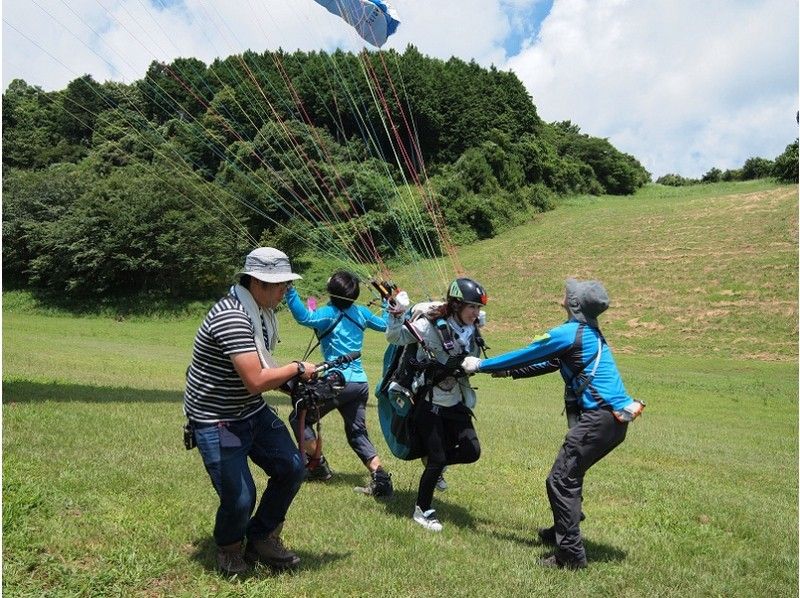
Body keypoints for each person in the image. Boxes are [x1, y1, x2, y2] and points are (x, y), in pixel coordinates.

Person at [462, 278, 643, 570]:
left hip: (598, 419)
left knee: (560, 480)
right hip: (614, 421)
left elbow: (528, 353)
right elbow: (551, 363)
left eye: (568, 295)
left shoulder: (568, 333)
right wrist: (509, 374)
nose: (564, 296)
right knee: (571, 475)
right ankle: (560, 530)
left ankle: (569, 555)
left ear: (573, 304)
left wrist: (481, 364)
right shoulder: (589, 332)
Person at [183, 247, 317, 575]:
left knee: (291, 466)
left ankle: (261, 538)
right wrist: (297, 368)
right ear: (258, 282)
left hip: (250, 411)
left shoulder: (259, 312)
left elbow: (263, 369)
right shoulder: (232, 316)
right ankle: (229, 549)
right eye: (280, 284)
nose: (286, 289)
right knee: (240, 496)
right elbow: (256, 379)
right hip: (219, 422)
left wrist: (295, 384)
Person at [386, 278, 488, 532]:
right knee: (438, 457)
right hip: (429, 401)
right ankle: (423, 510)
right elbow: (395, 337)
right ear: (456, 305)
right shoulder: (427, 325)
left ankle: (434, 462)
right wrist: (396, 313)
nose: (476, 313)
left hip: (455, 400)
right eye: (471, 307)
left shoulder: (470, 328)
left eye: (478, 308)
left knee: (471, 451)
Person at [284, 270, 394, 498]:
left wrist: (289, 290)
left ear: (332, 292)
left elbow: (304, 317)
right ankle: (381, 479)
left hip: (337, 382)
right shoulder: (361, 312)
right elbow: (385, 325)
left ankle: (318, 466)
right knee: (357, 433)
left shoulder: (326, 314)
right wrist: (386, 301)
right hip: (359, 383)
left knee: (299, 418)